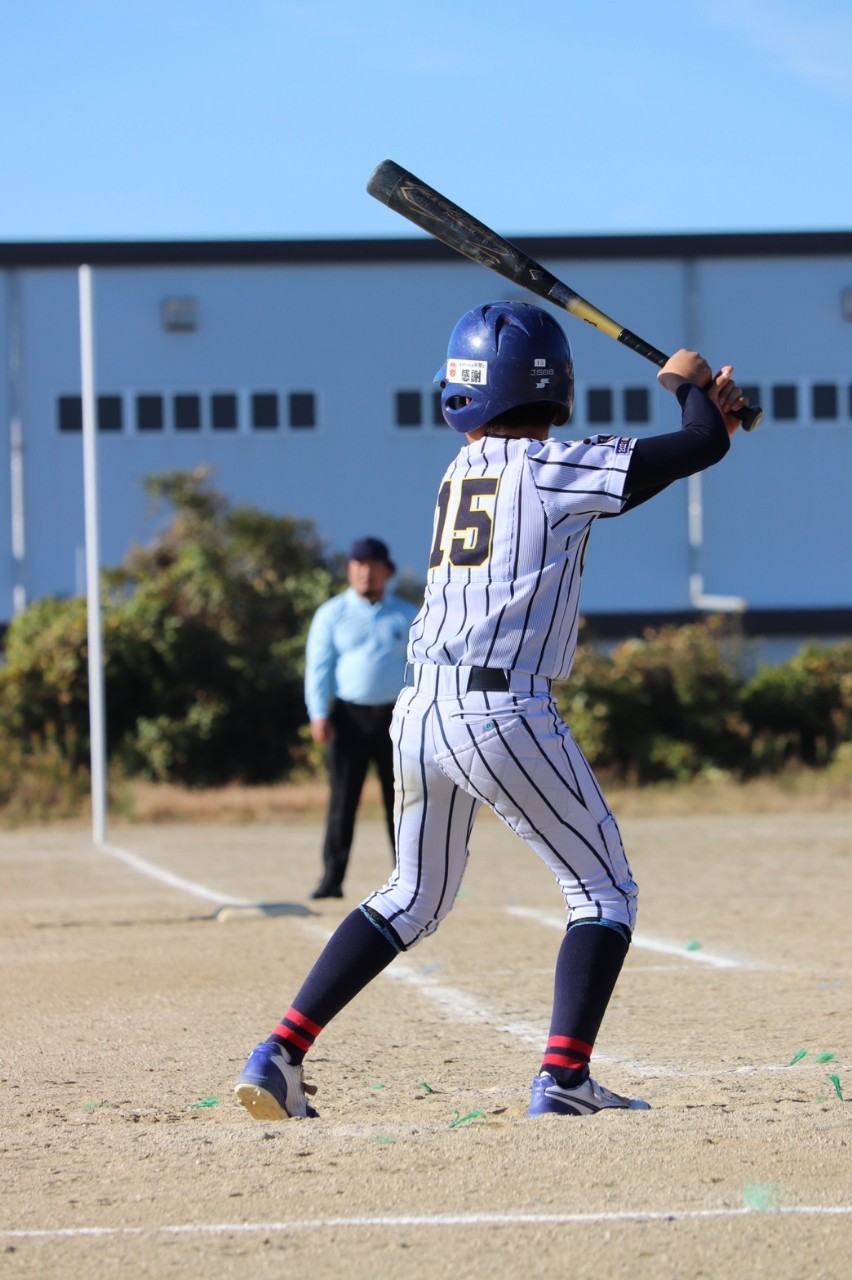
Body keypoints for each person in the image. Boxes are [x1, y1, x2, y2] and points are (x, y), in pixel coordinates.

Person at [235, 300, 749, 1121]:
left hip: (420, 706)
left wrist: (700, 411)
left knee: (411, 895)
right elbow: (698, 449)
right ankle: (565, 1078)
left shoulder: (459, 473)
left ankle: (279, 1053)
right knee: (603, 893)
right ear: (554, 389)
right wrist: (688, 386)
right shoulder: (549, 468)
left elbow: (693, 444)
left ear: (464, 394)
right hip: (500, 710)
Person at [304, 536, 418, 899]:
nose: (366, 572)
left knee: (402, 800)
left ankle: (409, 877)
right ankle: (331, 879)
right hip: (348, 718)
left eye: (373, 565)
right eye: (359, 564)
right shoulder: (332, 613)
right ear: (350, 570)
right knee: (342, 801)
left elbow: (419, 667)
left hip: (395, 717)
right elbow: (319, 667)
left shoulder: (406, 613)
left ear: (387, 571)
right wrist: (319, 713)